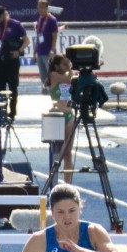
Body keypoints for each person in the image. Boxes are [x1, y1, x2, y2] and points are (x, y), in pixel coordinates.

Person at [0, 6, 28, 121]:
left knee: (12, 87)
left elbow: (27, 40)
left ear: (4, 15)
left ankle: (12, 112)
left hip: (12, 61)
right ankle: (2, 111)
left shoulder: (15, 24)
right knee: (0, 87)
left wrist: (19, 51)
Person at [45, 53, 77, 183]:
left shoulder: (68, 75)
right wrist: (71, 68)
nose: (67, 65)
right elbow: (67, 80)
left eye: (68, 63)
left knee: (68, 152)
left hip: (69, 115)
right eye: (64, 63)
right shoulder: (53, 75)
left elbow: (72, 81)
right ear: (57, 66)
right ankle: (54, 182)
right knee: (56, 152)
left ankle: (67, 183)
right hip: (57, 116)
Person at [35, 0, 60, 94]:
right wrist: (35, 50)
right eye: (38, 7)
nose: (40, 9)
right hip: (40, 52)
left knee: (51, 76)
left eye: (42, 7)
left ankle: (54, 96)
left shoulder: (52, 20)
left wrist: (51, 51)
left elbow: (54, 36)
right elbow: (38, 35)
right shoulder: (40, 19)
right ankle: (44, 95)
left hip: (48, 53)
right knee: (43, 77)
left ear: (46, 8)